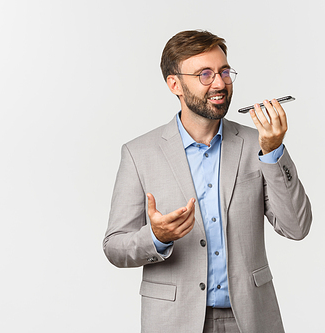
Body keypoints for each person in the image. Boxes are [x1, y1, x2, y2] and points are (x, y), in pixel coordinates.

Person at [103, 30, 312, 333]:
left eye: (224, 71)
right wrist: (157, 237)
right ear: (175, 84)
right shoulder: (139, 154)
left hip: (251, 318)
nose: (220, 83)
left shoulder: (258, 143)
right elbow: (114, 247)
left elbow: (297, 227)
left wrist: (273, 151)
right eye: (205, 74)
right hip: (174, 321)